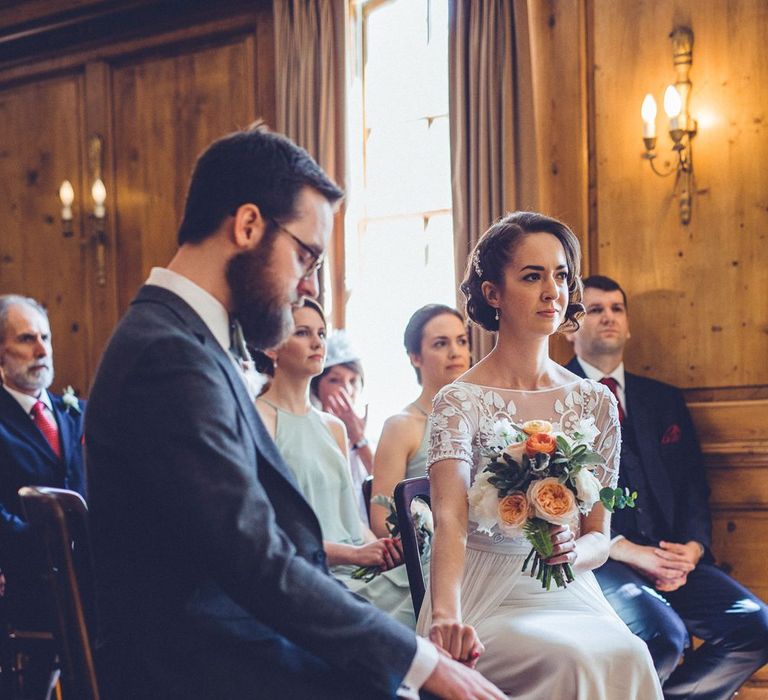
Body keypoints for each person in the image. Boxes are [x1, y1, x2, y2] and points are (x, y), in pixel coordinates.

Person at [85, 125, 504, 700]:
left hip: (240, 639)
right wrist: (422, 662)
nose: (307, 283)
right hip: (201, 665)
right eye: (305, 256)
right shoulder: (168, 354)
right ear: (248, 225)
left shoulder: (187, 341)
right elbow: (253, 556)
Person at [416, 211, 663, 699]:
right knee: (571, 660)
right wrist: (446, 617)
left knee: (630, 653)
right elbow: (450, 519)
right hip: (483, 593)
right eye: (532, 276)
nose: (553, 291)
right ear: (493, 293)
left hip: (566, 590)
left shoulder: (594, 401)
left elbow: (599, 535)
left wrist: (575, 550)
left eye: (561, 275)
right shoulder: (459, 401)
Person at [565, 274, 768, 698]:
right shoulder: (552, 394)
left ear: (628, 324)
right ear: (570, 327)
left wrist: (693, 547)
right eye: (595, 309)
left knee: (756, 627)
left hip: (673, 554)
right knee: (663, 638)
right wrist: (623, 548)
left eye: (617, 309)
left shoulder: (664, 399)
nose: (608, 318)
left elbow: (694, 483)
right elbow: (553, 500)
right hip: (600, 560)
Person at [257, 299, 415, 627]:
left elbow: (351, 519)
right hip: (315, 572)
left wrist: (382, 548)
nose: (317, 342)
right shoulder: (260, 418)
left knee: (432, 580)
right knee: (419, 603)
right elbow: (270, 530)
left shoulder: (334, 427)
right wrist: (354, 555)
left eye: (321, 333)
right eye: (302, 333)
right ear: (273, 347)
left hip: (359, 565)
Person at [0, 294, 87, 623]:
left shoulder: (76, 411)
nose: (42, 350)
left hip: (89, 572)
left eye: (45, 337)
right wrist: (50, 546)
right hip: (27, 577)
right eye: (26, 339)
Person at [371, 305, 470, 538]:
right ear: (415, 357)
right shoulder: (401, 426)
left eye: (462, 341)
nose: (455, 352)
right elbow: (381, 521)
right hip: (426, 561)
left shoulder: (488, 419)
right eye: (440, 343)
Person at [311, 329, 372, 521]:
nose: (346, 389)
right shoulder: (310, 430)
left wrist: (359, 439)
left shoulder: (371, 435)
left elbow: (386, 489)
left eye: (353, 381)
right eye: (334, 380)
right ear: (317, 386)